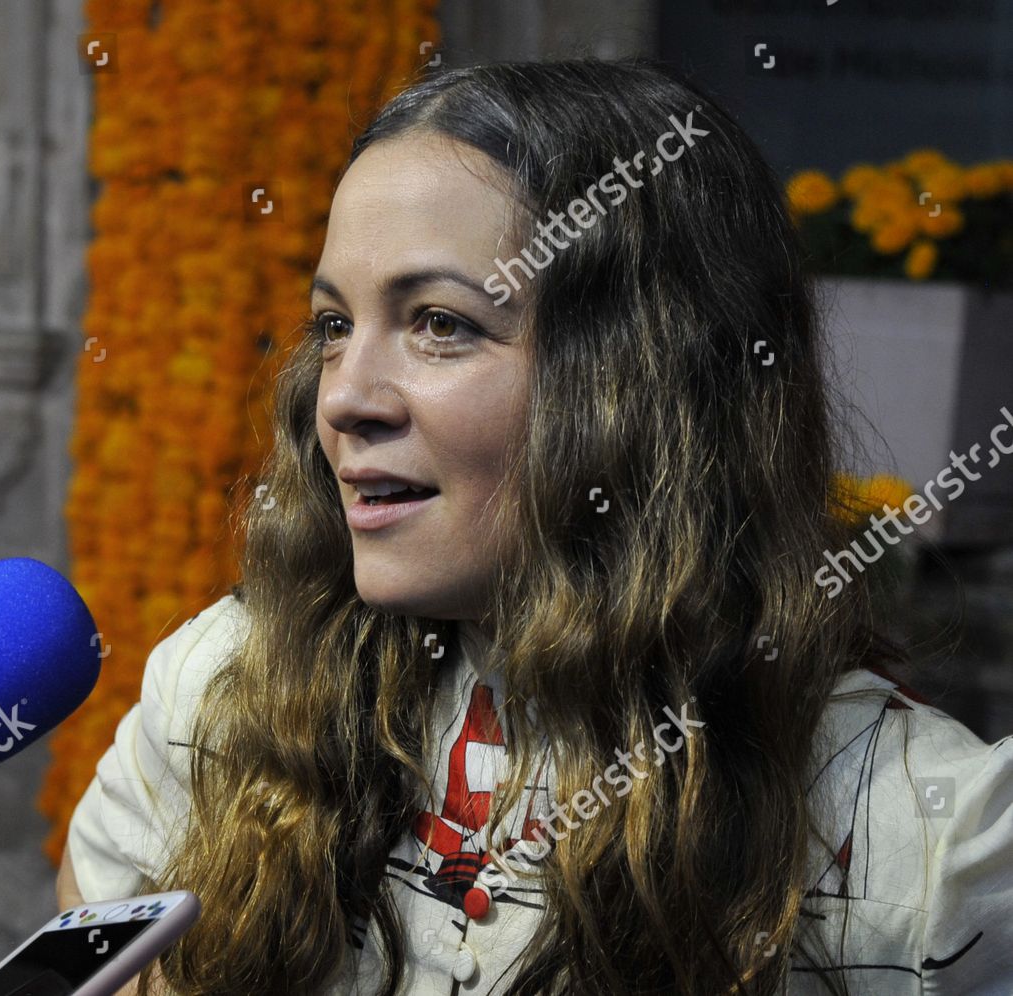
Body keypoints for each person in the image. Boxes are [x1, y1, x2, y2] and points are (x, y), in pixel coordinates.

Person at [57, 60, 1013, 995]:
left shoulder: (926, 841)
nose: (343, 396)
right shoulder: (216, 693)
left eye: (439, 323)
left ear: (642, 382)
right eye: (333, 324)